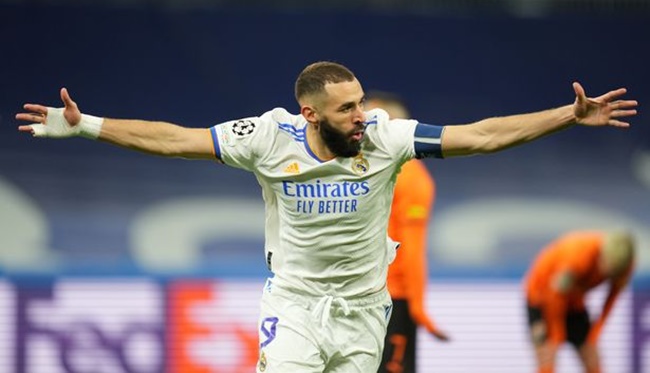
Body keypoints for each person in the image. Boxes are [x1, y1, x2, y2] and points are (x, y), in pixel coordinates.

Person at [16, 61, 637, 372]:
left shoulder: (387, 138)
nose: (361, 116)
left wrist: (567, 115)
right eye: (346, 109)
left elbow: (482, 136)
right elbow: (176, 140)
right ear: (310, 115)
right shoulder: (268, 137)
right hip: (295, 308)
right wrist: (87, 126)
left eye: (361, 102)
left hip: (365, 312)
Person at [364, 92, 449, 373]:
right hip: (366, 292)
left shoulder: (409, 177)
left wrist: (416, 305)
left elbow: (411, 246)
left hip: (391, 297)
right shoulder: (367, 169)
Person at [524, 230, 636, 373]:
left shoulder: (625, 266)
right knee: (547, 352)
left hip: (573, 301)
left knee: (590, 352)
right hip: (540, 296)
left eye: (614, 270)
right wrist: (556, 334)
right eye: (608, 266)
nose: (608, 272)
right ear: (602, 256)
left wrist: (594, 335)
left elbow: (611, 299)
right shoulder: (579, 255)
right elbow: (555, 296)